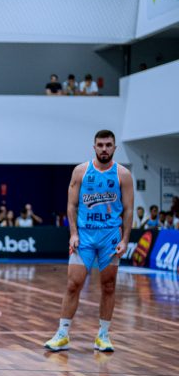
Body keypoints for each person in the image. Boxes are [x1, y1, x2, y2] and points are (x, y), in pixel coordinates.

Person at [45, 129, 134, 353]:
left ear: (115, 148)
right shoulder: (81, 171)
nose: (104, 149)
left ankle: (103, 336)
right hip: (84, 236)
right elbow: (71, 206)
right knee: (73, 284)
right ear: (94, 147)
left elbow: (129, 210)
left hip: (110, 236)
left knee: (109, 286)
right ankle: (62, 334)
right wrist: (73, 233)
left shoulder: (123, 174)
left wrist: (125, 239)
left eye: (108, 145)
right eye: (100, 145)